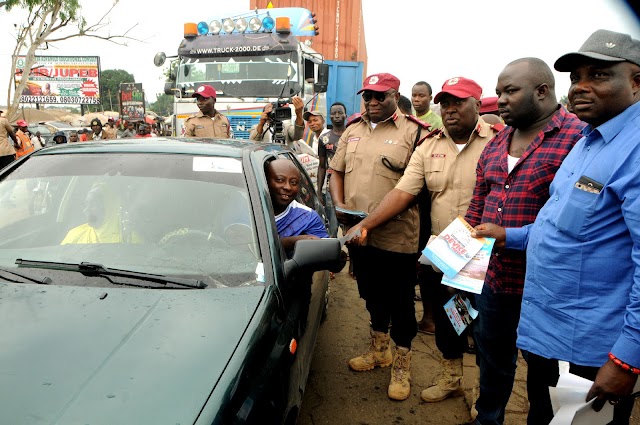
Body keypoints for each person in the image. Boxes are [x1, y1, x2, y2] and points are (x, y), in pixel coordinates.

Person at [474, 29, 640, 425]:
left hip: (595, 348)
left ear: (636, 82)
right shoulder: (588, 142)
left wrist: (626, 357)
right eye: (576, 76)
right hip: (550, 329)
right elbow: (561, 229)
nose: (581, 87)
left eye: (598, 76)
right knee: (543, 416)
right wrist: (507, 235)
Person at [345, 77, 498, 412]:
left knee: (485, 327)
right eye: (445, 103)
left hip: (488, 252)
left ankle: (488, 397)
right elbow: (403, 192)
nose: (450, 109)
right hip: (446, 250)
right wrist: (365, 224)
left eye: (458, 102)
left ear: (477, 103)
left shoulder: (499, 143)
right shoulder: (430, 146)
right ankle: (451, 378)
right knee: (450, 319)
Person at [462, 58, 585, 425]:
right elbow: (478, 204)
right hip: (496, 280)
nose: (500, 99)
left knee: (545, 376)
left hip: (550, 287)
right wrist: (461, 263)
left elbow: (576, 222)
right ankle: (488, 419)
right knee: (492, 363)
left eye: (510, 91)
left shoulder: (579, 139)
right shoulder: (497, 141)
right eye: (499, 91)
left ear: (542, 91)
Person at [329, 73, 430, 401]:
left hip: (397, 237)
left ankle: (401, 364)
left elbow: (418, 189)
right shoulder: (353, 129)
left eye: (380, 97)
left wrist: (368, 223)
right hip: (359, 237)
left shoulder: (415, 133)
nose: (372, 103)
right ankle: (380, 351)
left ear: (395, 95)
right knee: (370, 294)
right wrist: (339, 206)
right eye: (367, 97)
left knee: (401, 302)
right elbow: (336, 172)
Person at [265, 158, 328, 252]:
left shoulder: (308, 217)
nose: (287, 187)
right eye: (280, 180)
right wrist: (289, 242)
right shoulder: (246, 210)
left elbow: (326, 253)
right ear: (265, 181)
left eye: (293, 182)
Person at [61, 183, 138, 244]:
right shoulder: (75, 236)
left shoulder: (129, 239)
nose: (86, 210)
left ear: (108, 208)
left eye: (93, 204)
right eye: (86, 204)